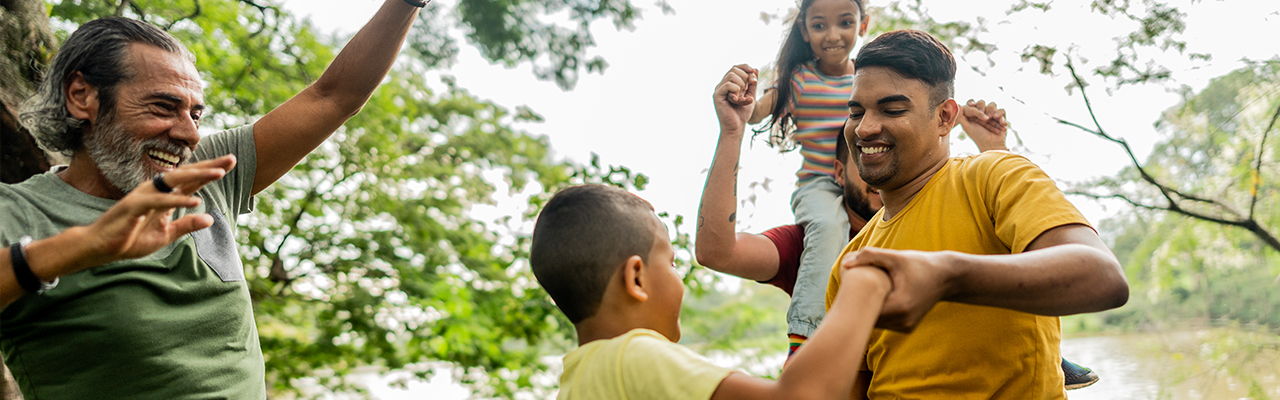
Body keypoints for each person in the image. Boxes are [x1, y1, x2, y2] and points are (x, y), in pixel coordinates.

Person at [0, 1, 424, 398]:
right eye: (164, 107)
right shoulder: (16, 211)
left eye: (195, 114)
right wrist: (81, 246)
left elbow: (334, 97)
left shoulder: (205, 175)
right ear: (82, 97)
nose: (188, 133)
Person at [825, 30, 1129, 398]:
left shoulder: (993, 177)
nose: (866, 127)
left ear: (944, 118)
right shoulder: (851, 260)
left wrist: (949, 277)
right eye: (856, 111)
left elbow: (1103, 277)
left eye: (892, 110)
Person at [529, 184, 890, 400]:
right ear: (636, 278)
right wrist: (864, 286)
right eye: (670, 263)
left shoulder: (577, 381)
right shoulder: (633, 357)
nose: (678, 278)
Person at [745, 0, 870, 348]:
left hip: (868, 184)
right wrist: (745, 102)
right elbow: (757, 112)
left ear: (863, 24)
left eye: (845, 22)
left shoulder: (869, 76)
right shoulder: (799, 80)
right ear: (805, 30)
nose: (833, 35)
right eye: (819, 26)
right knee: (829, 228)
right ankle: (807, 330)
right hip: (820, 184)